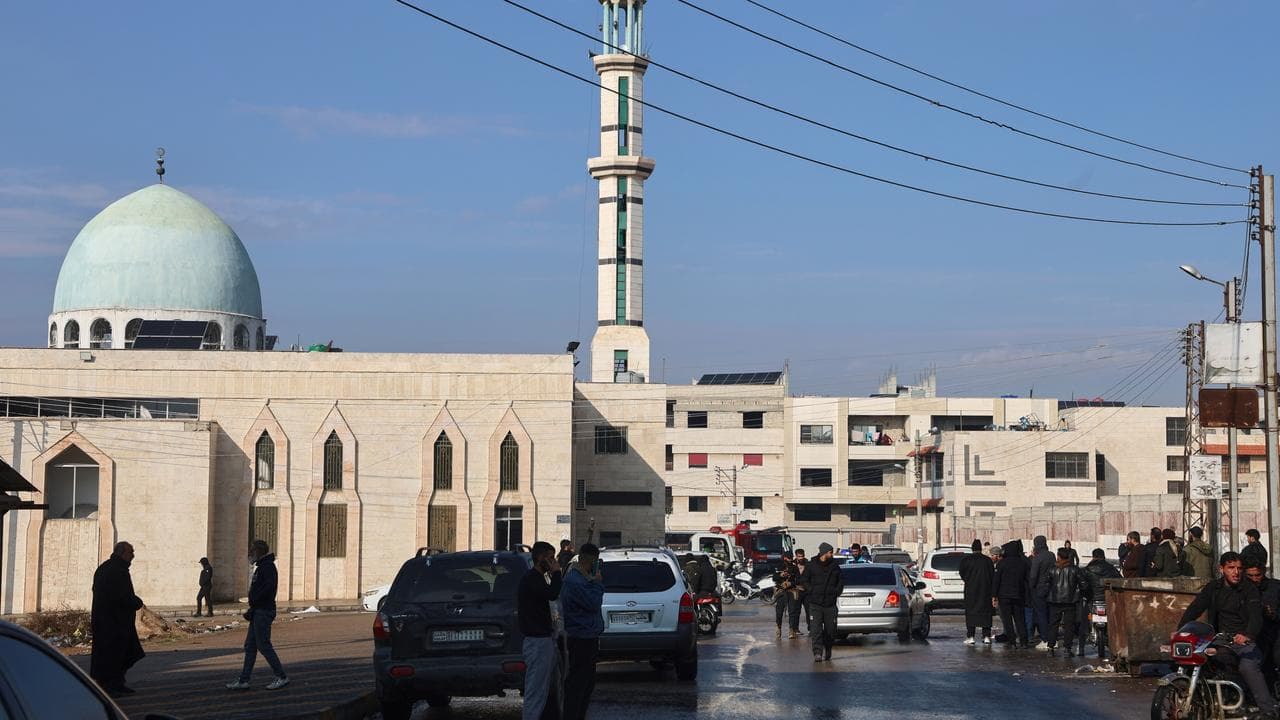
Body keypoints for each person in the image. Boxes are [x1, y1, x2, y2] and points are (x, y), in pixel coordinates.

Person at [1180, 552, 1275, 717]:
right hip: (1220, 639)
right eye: (1231, 568)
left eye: (1239, 568)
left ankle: (1268, 711)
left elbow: (1255, 617)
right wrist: (1181, 629)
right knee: (1197, 658)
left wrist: (1247, 635)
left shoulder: (1249, 589)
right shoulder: (1214, 588)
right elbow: (1195, 608)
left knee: (1248, 666)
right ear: (1221, 569)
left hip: (1247, 641)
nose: (1236, 572)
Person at [226, 540, 289, 691]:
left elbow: (268, 589)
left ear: (259, 552)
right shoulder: (261, 567)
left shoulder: (267, 567)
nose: (249, 554)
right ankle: (244, 680)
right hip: (257, 611)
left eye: (252, 551)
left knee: (263, 645)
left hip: (263, 611)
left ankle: (281, 676)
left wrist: (255, 602)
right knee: (250, 646)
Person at [90, 541, 145, 697]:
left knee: (123, 653)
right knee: (111, 655)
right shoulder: (114, 570)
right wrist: (135, 602)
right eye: (130, 552)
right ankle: (108, 686)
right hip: (111, 623)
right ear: (121, 553)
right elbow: (118, 596)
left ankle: (117, 683)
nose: (133, 555)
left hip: (116, 622)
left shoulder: (114, 568)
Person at [516, 541, 562, 720]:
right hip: (537, 642)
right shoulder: (531, 579)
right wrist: (557, 573)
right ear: (541, 558)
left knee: (542, 690)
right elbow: (552, 593)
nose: (553, 562)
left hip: (543, 640)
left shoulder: (538, 578)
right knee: (535, 691)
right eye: (550, 558)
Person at [560, 543, 605, 720]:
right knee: (579, 683)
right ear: (591, 561)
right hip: (580, 637)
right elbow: (593, 603)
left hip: (588, 635)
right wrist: (598, 584)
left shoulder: (582, 578)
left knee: (587, 683)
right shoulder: (576, 581)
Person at [796, 543, 843, 662]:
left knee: (830, 630)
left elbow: (841, 581)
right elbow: (804, 579)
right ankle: (817, 652)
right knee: (815, 629)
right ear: (824, 553)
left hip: (830, 604)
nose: (832, 554)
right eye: (830, 552)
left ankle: (828, 648)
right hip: (815, 603)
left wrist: (836, 591)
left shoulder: (835, 566)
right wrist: (811, 590)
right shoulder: (811, 565)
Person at [1045, 548, 1088, 657]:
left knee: (1053, 624)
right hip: (1070, 601)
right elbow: (1084, 584)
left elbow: (1045, 584)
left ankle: (1050, 647)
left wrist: (1048, 593)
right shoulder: (1074, 569)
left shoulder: (1052, 569)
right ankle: (1067, 649)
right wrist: (1080, 594)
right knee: (1069, 626)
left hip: (1054, 601)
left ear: (1059, 556)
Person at [1244, 558, 1280, 679]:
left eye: (1257, 575)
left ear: (1263, 572)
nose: (1254, 579)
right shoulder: (1242, 589)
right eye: (1250, 576)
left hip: (1273, 632)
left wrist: (1272, 614)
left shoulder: (1275, 587)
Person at [1083, 548, 1121, 659]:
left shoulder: (1088, 569)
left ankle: (1090, 632)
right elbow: (1120, 580)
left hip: (1094, 599)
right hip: (1107, 598)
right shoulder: (1111, 568)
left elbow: (1083, 583)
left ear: (1093, 556)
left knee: (1087, 616)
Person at [993, 539, 1029, 647]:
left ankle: (1012, 641)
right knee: (1020, 619)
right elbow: (1026, 580)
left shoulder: (1002, 563)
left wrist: (994, 595)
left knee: (1007, 620)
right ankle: (1023, 641)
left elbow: (996, 580)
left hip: (1004, 596)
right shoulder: (1022, 563)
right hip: (1018, 595)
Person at [959, 539, 994, 644]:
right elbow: (992, 575)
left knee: (971, 613)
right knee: (986, 613)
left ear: (972, 548)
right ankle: (986, 636)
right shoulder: (987, 560)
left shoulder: (966, 560)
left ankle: (971, 636)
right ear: (980, 548)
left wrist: (969, 581)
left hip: (971, 590)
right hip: (985, 590)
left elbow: (962, 573)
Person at [1028, 535, 1055, 648]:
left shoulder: (1037, 558)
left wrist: (1031, 587)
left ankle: (1045, 639)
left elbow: (1033, 576)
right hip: (1051, 588)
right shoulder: (1051, 555)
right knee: (1050, 614)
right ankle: (1052, 638)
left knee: (1041, 614)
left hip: (1039, 589)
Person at [773, 552, 801, 639]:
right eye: (788, 558)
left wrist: (790, 583)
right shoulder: (778, 566)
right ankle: (778, 627)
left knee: (792, 611)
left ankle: (791, 630)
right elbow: (774, 577)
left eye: (791, 558)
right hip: (780, 591)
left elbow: (798, 579)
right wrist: (780, 575)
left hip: (791, 591)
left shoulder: (794, 567)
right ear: (784, 558)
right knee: (779, 611)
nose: (790, 559)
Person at [793, 550, 811, 634]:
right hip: (797, 591)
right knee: (796, 610)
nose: (800, 558)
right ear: (796, 556)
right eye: (799, 556)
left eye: (802, 556)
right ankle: (795, 629)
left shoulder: (808, 564)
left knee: (809, 610)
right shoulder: (792, 564)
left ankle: (810, 628)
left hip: (806, 591)